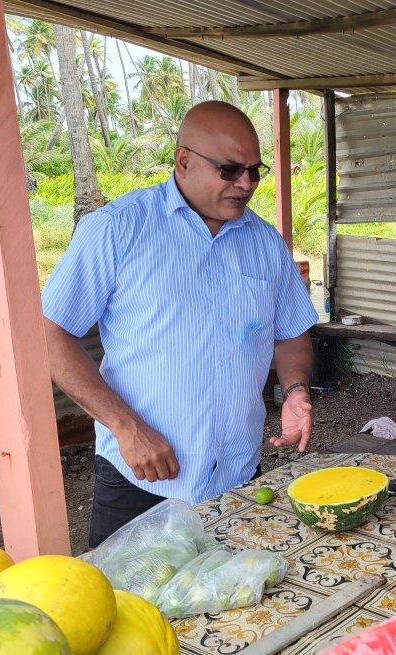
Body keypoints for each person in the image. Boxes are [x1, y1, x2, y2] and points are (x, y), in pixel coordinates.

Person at [42, 101, 318, 547]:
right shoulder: (117, 229)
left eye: (254, 171)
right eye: (230, 170)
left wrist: (295, 390)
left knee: (239, 590)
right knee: (129, 593)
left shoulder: (266, 243)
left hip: (237, 476)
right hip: (141, 481)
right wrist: (126, 427)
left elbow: (290, 333)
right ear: (183, 161)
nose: (246, 184)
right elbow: (51, 334)